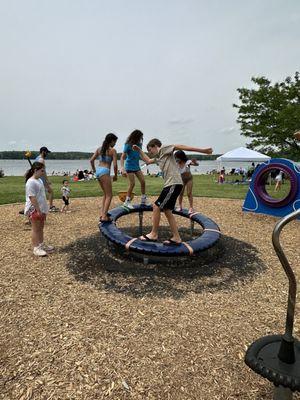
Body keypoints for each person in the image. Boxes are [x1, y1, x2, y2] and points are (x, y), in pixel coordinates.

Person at [133, 139, 213, 245]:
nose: (150, 153)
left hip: (173, 184)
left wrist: (203, 151)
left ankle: (154, 234)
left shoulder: (164, 149)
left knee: (156, 206)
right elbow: (147, 160)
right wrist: (139, 150)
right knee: (167, 210)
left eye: (150, 150)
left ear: (155, 146)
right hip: (172, 184)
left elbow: (180, 146)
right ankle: (176, 237)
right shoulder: (159, 158)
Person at [24, 162, 54, 256]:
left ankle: (41, 244)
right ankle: (36, 248)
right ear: (35, 170)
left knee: (41, 227)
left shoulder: (39, 180)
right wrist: (38, 210)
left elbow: (41, 194)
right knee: (35, 228)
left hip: (41, 207)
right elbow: (32, 197)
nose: (43, 172)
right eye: (42, 170)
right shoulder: (30, 182)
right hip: (34, 209)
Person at [90, 133, 118, 222]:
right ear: (112, 141)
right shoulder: (112, 150)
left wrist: (94, 171)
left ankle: (103, 213)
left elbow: (91, 160)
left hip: (98, 171)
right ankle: (104, 217)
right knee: (110, 195)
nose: (115, 144)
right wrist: (116, 175)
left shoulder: (99, 149)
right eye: (115, 142)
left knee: (105, 194)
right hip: (105, 171)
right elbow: (115, 165)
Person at [120, 130, 150, 208]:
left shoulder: (139, 144)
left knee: (143, 181)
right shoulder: (128, 145)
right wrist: (122, 168)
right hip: (129, 166)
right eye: (140, 137)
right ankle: (127, 202)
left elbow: (139, 154)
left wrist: (146, 160)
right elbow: (122, 157)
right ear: (136, 136)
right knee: (132, 184)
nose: (141, 138)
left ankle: (143, 199)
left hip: (136, 166)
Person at [35, 146, 57, 212]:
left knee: (38, 193)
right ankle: (50, 206)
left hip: (37, 177)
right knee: (50, 191)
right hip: (41, 178)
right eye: (46, 152)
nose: (47, 154)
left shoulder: (37, 158)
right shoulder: (41, 160)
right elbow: (43, 171)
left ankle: (35, 207)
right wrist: (47, 180)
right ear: (43, 152)